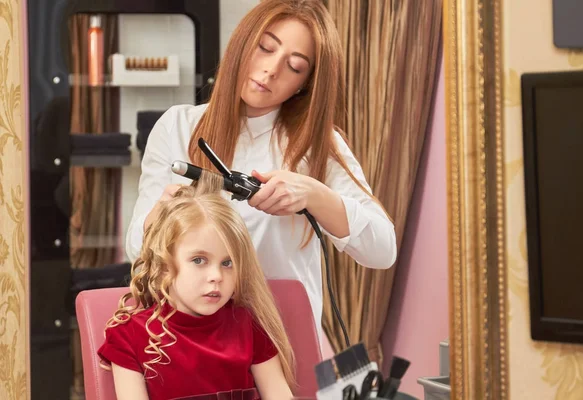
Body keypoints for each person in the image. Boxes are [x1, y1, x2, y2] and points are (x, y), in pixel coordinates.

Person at [126, 0, 397, 335]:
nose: (271, 69)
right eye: (265, 48)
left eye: (295, 66)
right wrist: (163, 216)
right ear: (242, 42)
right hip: (193, 341)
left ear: (305, 84)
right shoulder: (178, 127)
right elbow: (136, 249)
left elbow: (383, 250)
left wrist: (312, 193)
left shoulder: (316, 144)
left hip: (283, 339)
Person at [99, 182, 295, 400]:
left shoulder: (249, 325)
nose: (217, 276)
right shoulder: (128, 336)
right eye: (199, 260)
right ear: (164, 266)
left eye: (227, 263)